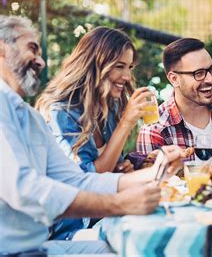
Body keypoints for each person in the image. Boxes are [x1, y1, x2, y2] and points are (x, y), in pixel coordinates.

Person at [0, 15, 184, 255]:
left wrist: (158, 171)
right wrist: (118, 203)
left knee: (129, 248)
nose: (41, 62)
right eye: (32, 49)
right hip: (17, 249)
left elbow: (77, 180)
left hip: (38, 247)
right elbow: (23, 188)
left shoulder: (28, 117)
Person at [34, 27, 159, 240]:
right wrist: (126, 122)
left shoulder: (108, 106)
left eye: (129, 67)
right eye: (119, 66)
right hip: (69, 230)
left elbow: (108, 167)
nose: (127, 76)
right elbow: (86, 179)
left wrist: (125, 167)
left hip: (103, 217)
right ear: (95, 63)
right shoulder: (61, 112)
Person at [137, 38, 212, 162]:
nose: (210, 79)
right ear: (174, 79)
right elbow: (153, 180)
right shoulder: (155, 130)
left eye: (211, 70)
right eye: (199, 73)